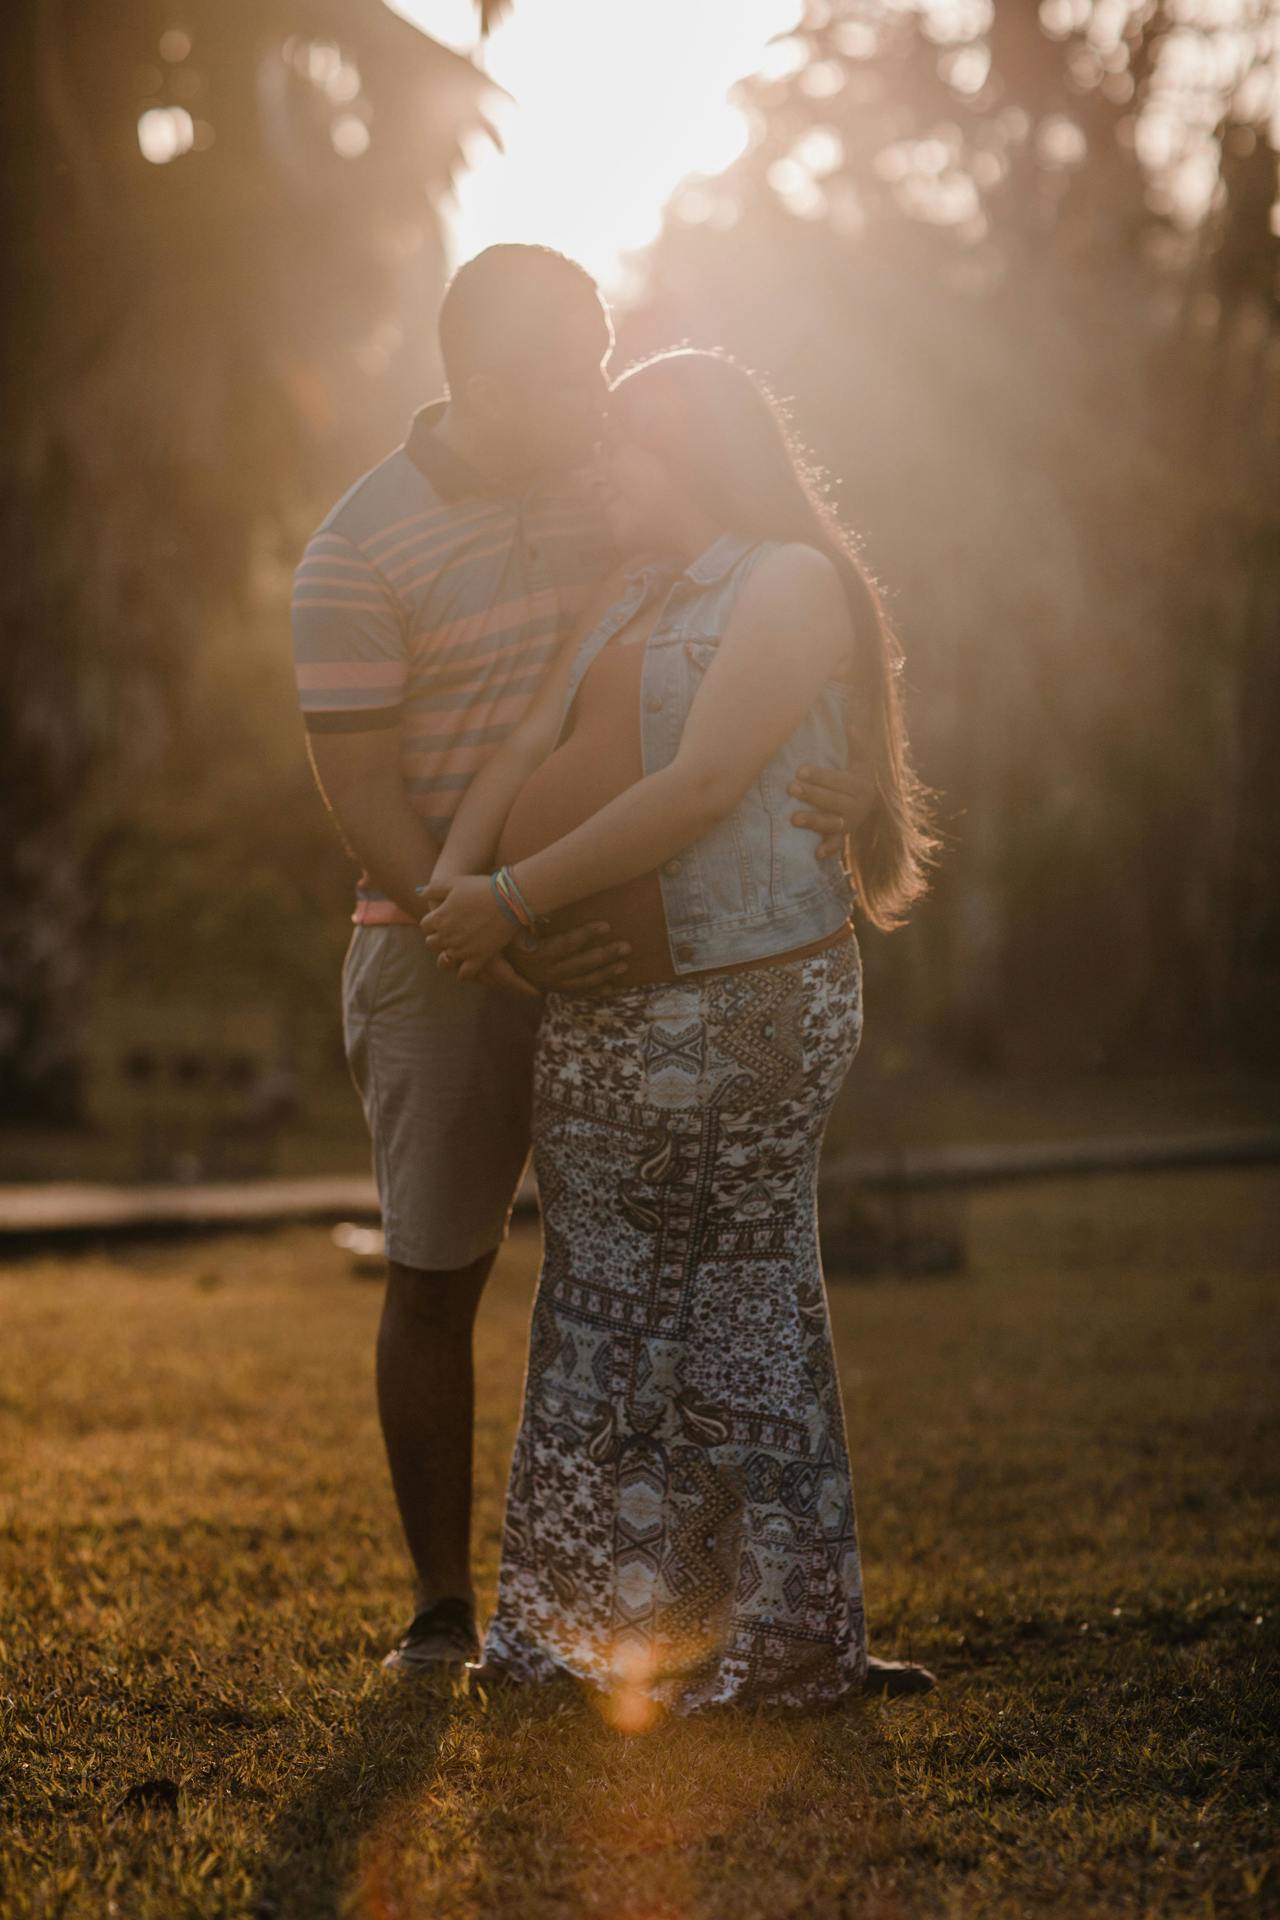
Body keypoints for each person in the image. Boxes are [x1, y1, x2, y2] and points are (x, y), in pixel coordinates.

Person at [290, 250, 875, 1675]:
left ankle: (693, 1618)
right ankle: (445, 1608)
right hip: (442, 948)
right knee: (440, 1269)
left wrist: (852, 776)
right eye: (569, 375)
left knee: (650, 1284)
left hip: (634, 958)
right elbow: (359, 791)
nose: (597, 397)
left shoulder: (614, 489)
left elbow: (747, 680)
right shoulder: (356, 553)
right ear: (482, 385)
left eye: (604, 365)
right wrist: (475, 920)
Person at [420, 347, 939, 1712]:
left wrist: (511, 896)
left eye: (623, 447)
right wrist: (458, 892)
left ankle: (776, 1646)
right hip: (601, 1012)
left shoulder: (790, 581)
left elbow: (707, 783)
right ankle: (578, 1643)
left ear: (691, 451)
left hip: (743, 996)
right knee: (597, 1311)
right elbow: (522, 751)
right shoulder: (629, 591)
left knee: (739, 1301)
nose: (599, 471)